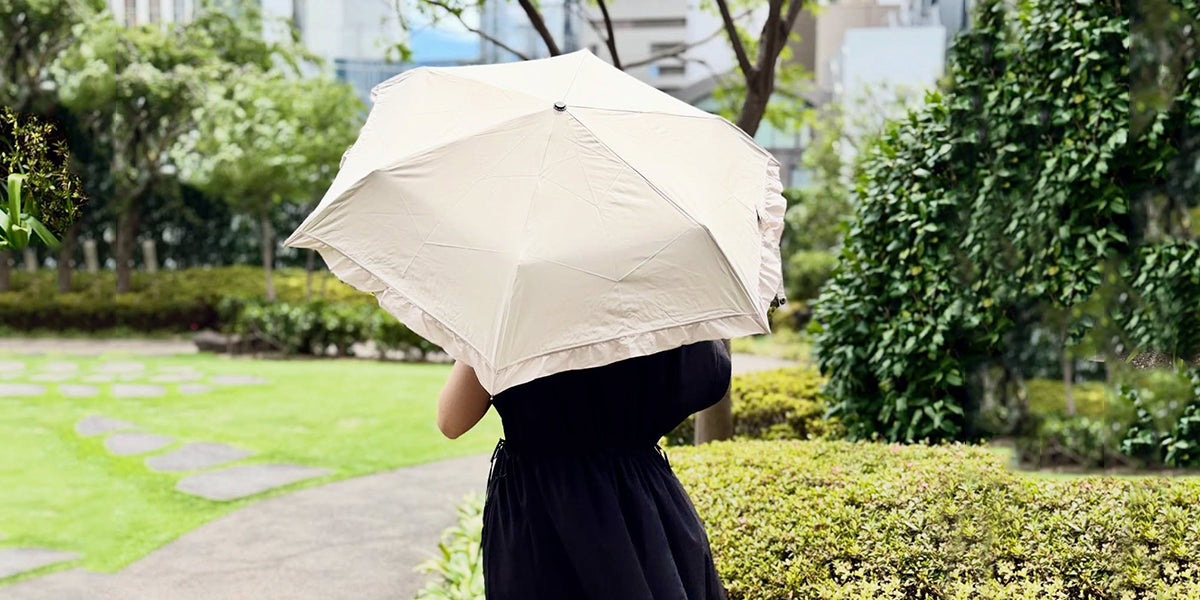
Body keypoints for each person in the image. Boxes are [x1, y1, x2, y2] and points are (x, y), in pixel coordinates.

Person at [436, 339, 732, 599]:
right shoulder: (659, 299)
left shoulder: (520, 307)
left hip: (541, 512)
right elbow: (709, 376)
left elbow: (452, 419)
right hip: (642, 502)